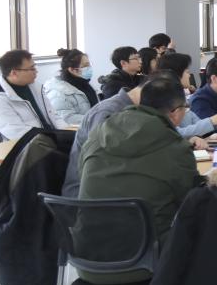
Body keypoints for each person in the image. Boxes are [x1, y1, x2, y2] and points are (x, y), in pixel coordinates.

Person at [78, 76, 203, 284]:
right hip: (145, 263)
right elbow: (189, 203)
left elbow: (82, 172)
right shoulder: (175, 148)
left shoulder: (99, 133)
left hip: (87, 260)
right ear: (175, 112)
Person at [62, 74, 208, 197]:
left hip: (118, 195)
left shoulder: (139, 113)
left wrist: (183, 141)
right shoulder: (108, 113)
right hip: (88, 198)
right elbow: (109, 163)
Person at [0, 49, 66, 139]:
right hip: (31, 144)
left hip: (52, 138)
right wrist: (54, 138)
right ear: (14, 73)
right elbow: (17, 133)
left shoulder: (36, 87)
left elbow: (54, 117)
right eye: (32, 68)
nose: (36, 71)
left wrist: (68, 131)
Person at [157, 53, 217, 139]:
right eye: (187, 72)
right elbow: (176, 133)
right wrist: (211, 121)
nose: (189, 75)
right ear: (174, 74)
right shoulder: (163, 102)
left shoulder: (181, 97)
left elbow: (197, 123)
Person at [43, 48, 98, 126]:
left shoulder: (84, 83)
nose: (89, 68)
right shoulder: (58, 93)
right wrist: (97, 119)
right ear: (72, 70)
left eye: (89, 64)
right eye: (85, 66)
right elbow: (67, 119)